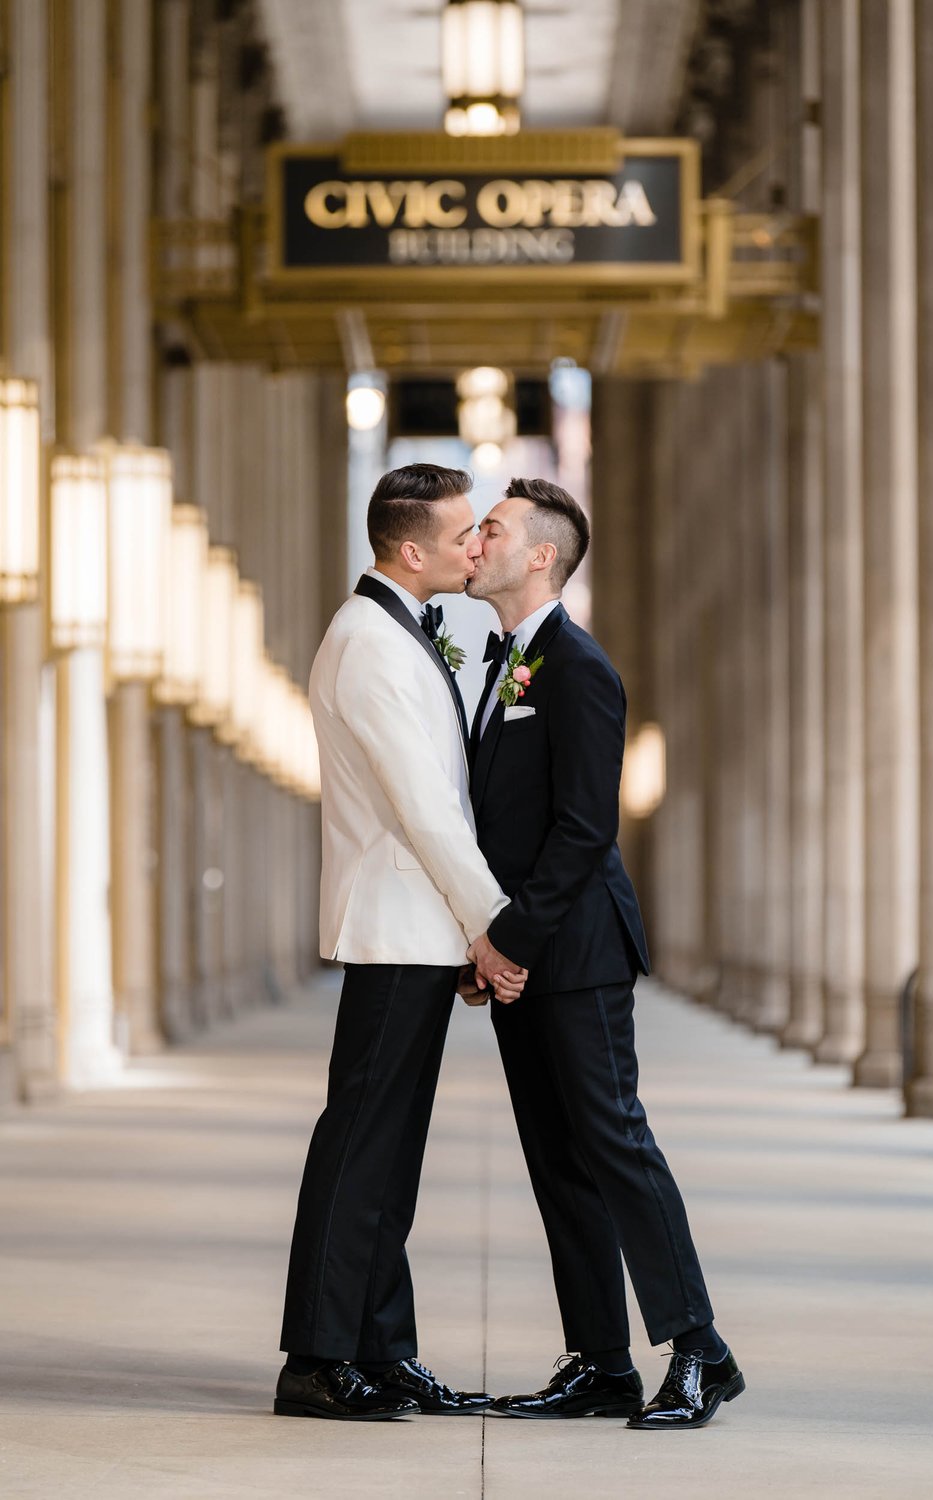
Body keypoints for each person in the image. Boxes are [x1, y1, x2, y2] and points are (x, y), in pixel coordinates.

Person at [464, 477, 744, 1430]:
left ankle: (701, 1349)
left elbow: (584, 831)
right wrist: (488, 944)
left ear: (540, 555)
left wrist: (506, 940)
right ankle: (599, 1359)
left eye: (490, 529)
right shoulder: (508, 664)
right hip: (525, 954)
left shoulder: (578, 668)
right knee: (556, 1158)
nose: (474, 540)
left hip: (574, 950)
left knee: (615, 1142)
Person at [275, 463, 527, 1422]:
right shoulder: (369, 644)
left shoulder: (397, 630)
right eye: (464, 535)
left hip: (417, 928)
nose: (477, 547)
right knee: (360, 1149)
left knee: (390, 1153)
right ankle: (317, 1359)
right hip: (396, 926)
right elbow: (424, 809)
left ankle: (382, 1351)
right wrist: (489, 925)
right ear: (410, 550)